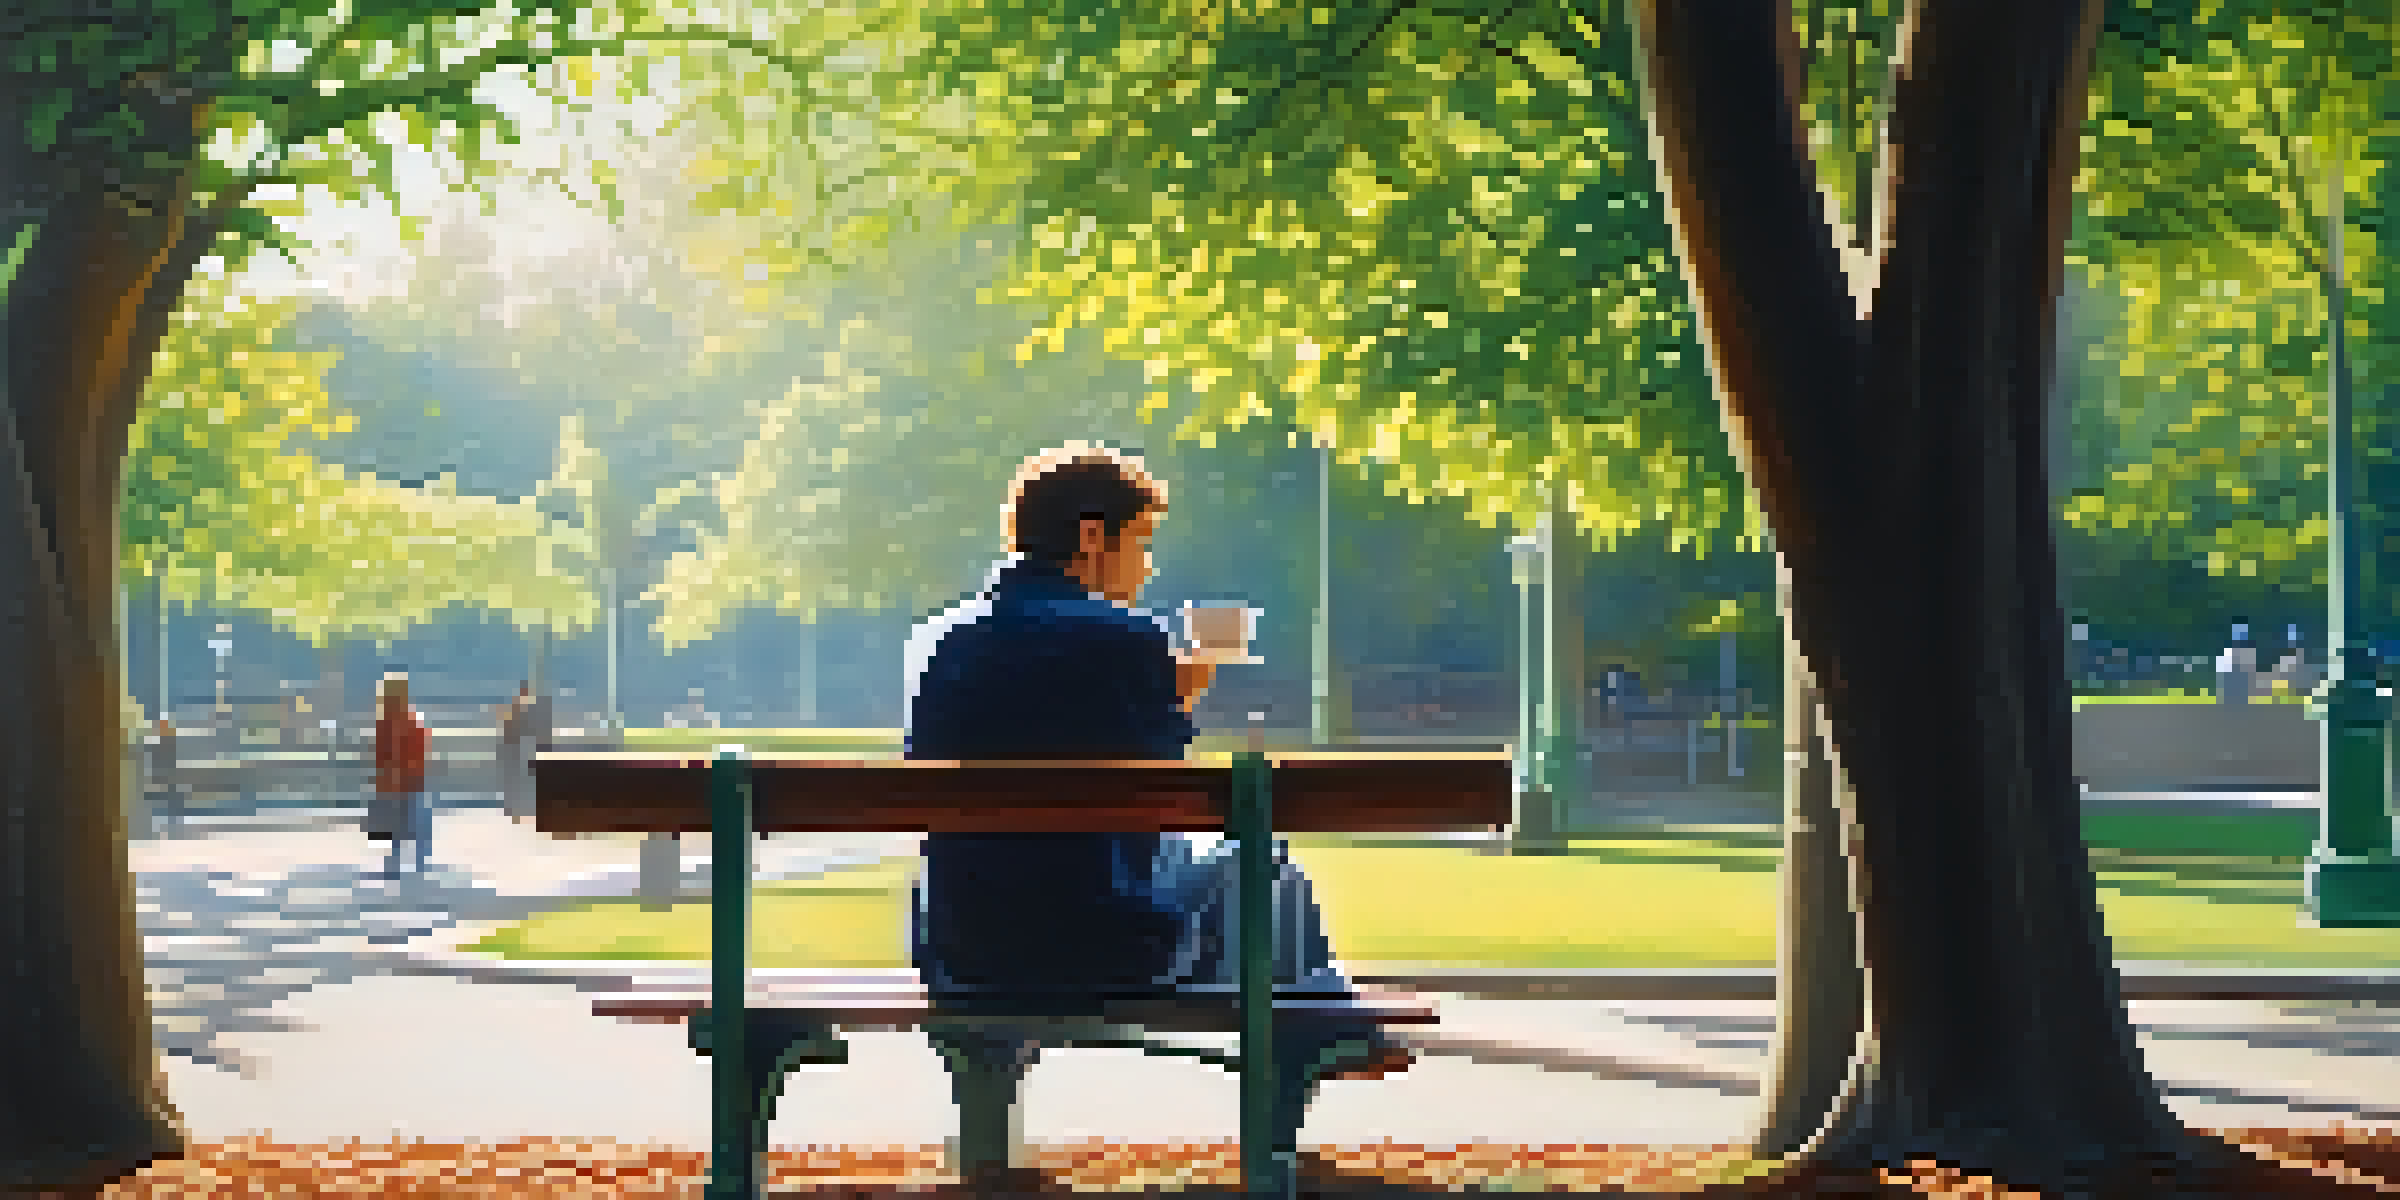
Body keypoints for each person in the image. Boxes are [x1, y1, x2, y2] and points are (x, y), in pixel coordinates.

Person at [892, 443, 1413, 1156]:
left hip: (964, 951)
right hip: (1105, 947)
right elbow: (1168, 794)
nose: (1145, 568)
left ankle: (1324, 1024)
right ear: (1089, 537)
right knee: (1260, 865)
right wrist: (1179, 696)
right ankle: (1318, 1037)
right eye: (1140, 543)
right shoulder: (1128, 640)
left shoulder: (935, 643)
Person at [371, 673, 433, 877]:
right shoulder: (411, 718)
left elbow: (380, 755)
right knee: (416, 825)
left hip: (396, 781)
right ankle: (419, 865)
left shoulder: (386, 721)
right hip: (411, 779)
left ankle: (397, 865)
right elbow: (422, 749)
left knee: (398, 828)